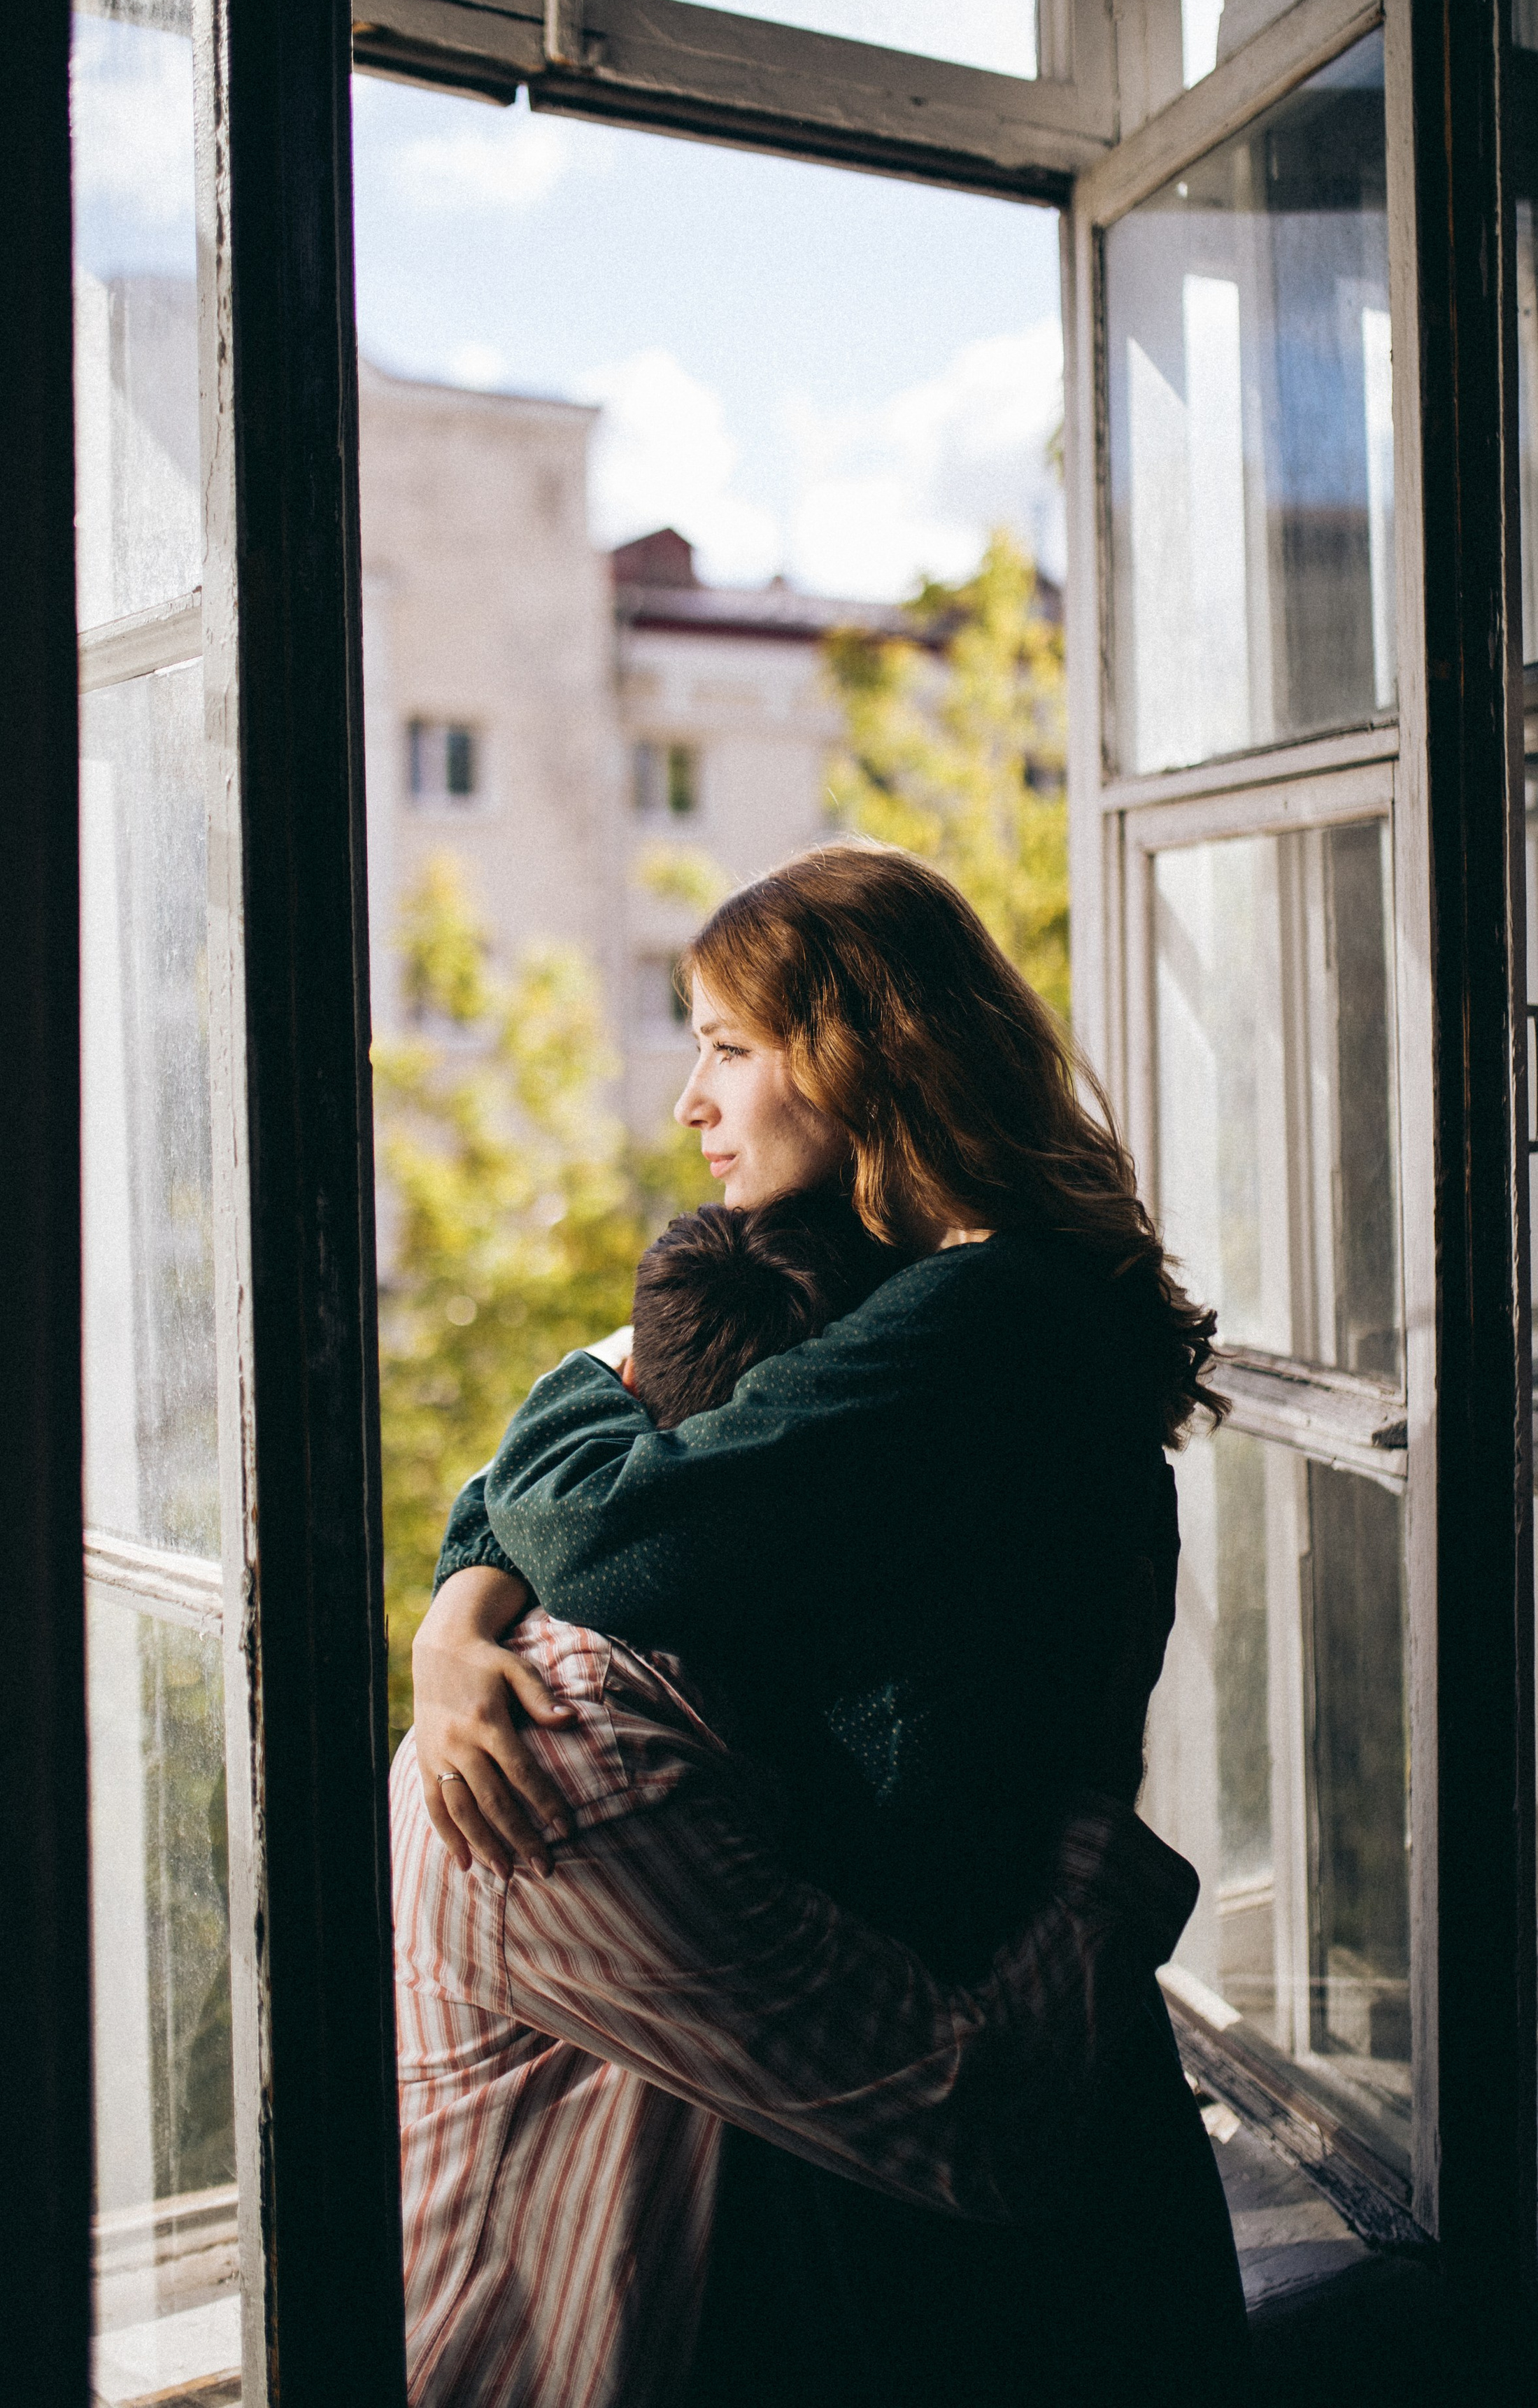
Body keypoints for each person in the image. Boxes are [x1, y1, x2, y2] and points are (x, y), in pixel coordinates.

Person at [413, 840, 1250, 2405]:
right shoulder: (938, 1294)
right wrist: (455, 1616)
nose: (691, 1101)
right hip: (969, 1991)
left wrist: (577, 1387)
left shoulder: (977, 1320)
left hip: (972, 2033)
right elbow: (588, 1493)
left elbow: (608, 1533)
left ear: (863, 1051)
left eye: (728, 1046)